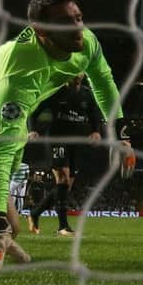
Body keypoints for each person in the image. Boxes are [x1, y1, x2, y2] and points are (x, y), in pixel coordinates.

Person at [0, 0, 134, 278]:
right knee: (9, 226)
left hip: (11, 130)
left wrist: (120, 133)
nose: (78, 29)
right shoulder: (21, 71)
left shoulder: (85, 41)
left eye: (79, 18)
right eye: (66, 23)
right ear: (40, 30)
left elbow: (103, 81)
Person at [27, 73, 103, 237]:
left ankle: (35, 212)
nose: (76, 75)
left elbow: (94, 114)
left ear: (83, 75)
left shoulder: (86, 94)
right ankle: (63, 226)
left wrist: (96, 131)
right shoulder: (55, 91)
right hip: (57, 139)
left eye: (79, 72)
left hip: (78, 142)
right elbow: (34, 111)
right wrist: (32, 129)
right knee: (63, 179)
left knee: (65, 186)